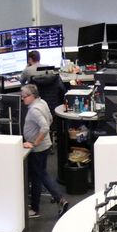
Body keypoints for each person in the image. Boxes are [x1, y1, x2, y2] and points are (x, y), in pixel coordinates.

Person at [21, 84, 69, 218]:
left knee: (41, 175)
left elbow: (44, 127)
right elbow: (50, 119)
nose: (22, 98)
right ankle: (35, 207)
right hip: (44, 146)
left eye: (25, 96)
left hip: (37, 148)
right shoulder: (42, 102)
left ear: (32, 96)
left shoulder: (34, 110)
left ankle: (60, 199)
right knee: (37, 176)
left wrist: (34, 142)